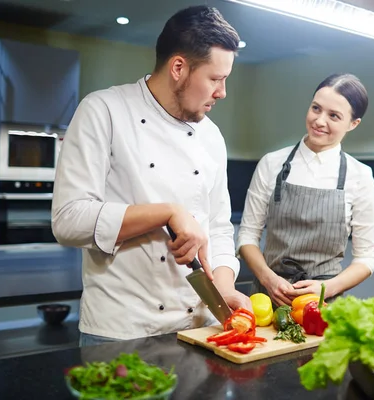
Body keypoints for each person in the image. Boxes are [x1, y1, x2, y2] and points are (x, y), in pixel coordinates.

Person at [52, 5, 251, 346]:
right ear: (178, 67)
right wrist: (168, 211)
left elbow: (217, 225)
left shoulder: (211, 136)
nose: (222, 92)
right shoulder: (104, 111)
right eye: (216, 79)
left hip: (197, 326)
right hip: (119, 332)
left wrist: (224, 286)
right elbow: (69, 220)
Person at [237, 73, 374, 306]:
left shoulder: (361, 177)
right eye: (316, 108)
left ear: (353, 124)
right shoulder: (272, 163)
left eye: (334, 116)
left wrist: (325, 288)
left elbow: (366, 259)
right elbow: (247, 236)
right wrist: (269, 279)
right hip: (267, 298)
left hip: (323, 305)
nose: (319, 121)